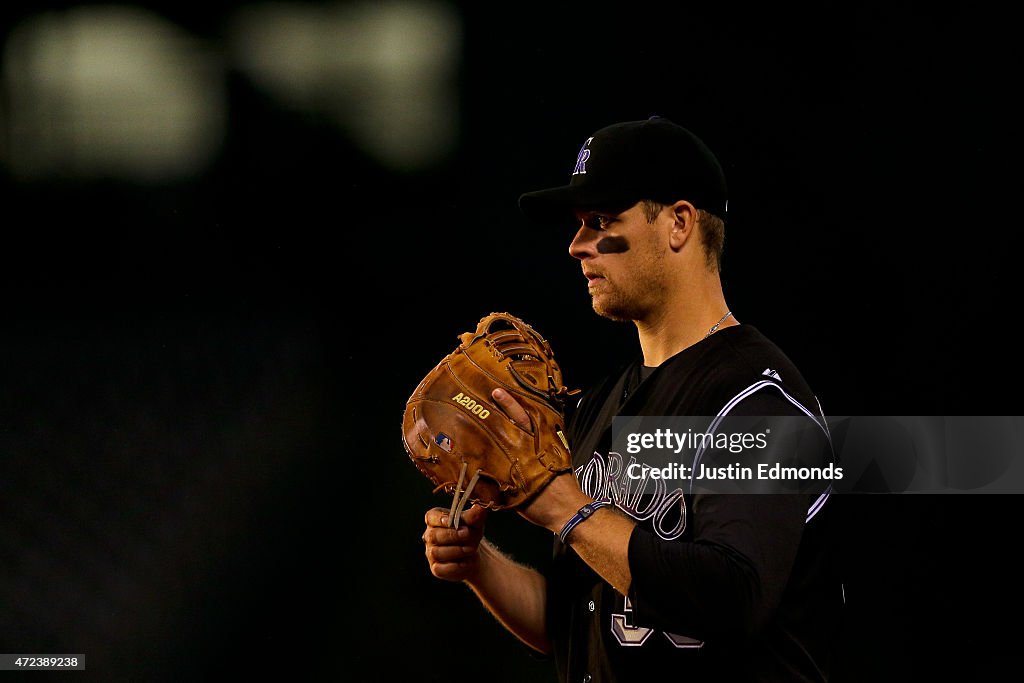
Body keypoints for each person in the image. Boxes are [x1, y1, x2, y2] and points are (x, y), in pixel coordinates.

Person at [421, 116, 843, 682]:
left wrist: (561, 506)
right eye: (578, 225)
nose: (576, 246)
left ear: (678, 223)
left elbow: (732, 597)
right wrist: (479, 566)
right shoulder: (601, 408)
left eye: (601, 220)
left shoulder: (755, 398)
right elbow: (579, 622)